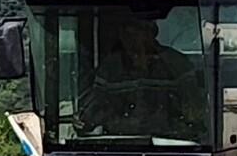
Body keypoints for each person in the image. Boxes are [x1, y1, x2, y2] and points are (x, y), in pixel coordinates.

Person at [75, 17, 207, 141]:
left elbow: (195, 112)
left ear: (151, 33)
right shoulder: (110, 68)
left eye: (137, 31)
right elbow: (92, 112)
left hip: (172, 146)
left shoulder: (177, 64)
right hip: (119, 147)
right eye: (126, 33)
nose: (131, 38)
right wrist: (83, 120)